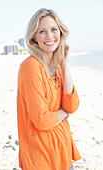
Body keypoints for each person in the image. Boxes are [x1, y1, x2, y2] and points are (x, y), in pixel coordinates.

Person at [17, 8, 81, 170]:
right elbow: (41, 120)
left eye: (53, 29)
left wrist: (65, 66)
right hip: (41, 157)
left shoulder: (58, 66)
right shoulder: (31, 67)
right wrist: (63, 114)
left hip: (63, 151)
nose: (49, 36)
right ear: (34, 37)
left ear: (60, 32)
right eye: (42, 31)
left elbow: (72, 106)